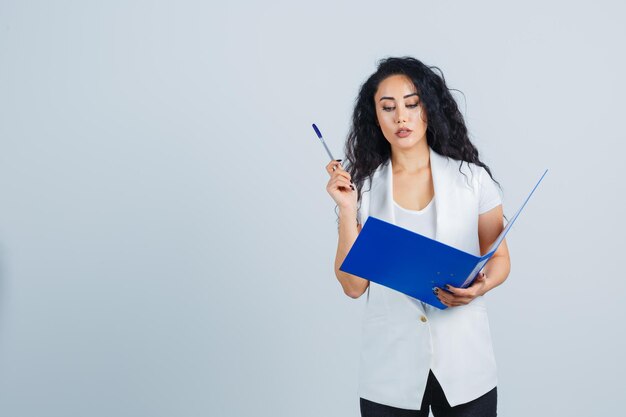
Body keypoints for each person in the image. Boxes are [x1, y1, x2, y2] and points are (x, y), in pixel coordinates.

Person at [325, 57, 511, 417]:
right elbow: (352, 286)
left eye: (412, 104)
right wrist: (348, 209)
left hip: (465, 365)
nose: (401, 117)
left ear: (430, 108)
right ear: (374, 117)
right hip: (389, 368)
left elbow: (500, 259)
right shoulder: (361, 188)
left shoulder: (473, 180)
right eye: (388, 107)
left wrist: (480, 288)